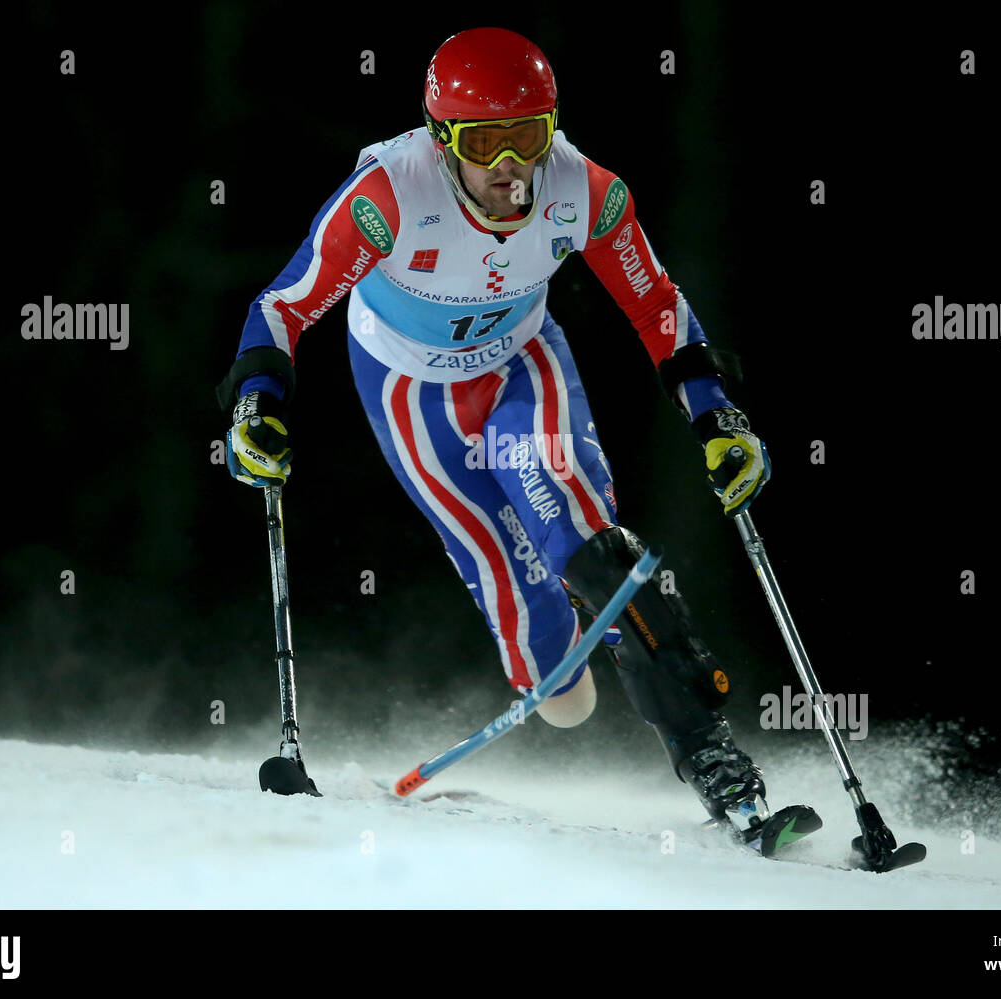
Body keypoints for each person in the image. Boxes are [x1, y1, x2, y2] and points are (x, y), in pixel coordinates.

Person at [216, 27, 777, 834]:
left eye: (529, 136)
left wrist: (717, 417)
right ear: (443, 142)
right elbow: (283, 304)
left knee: (592, 552)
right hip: (410, 391)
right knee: (556, 684)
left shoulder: (584, 191)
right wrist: (256, 406)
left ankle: (719, 767)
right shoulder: (389, 198)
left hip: (523, 367)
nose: (510, 165)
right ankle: (552, 653)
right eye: (485, 141)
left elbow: (657, 305)